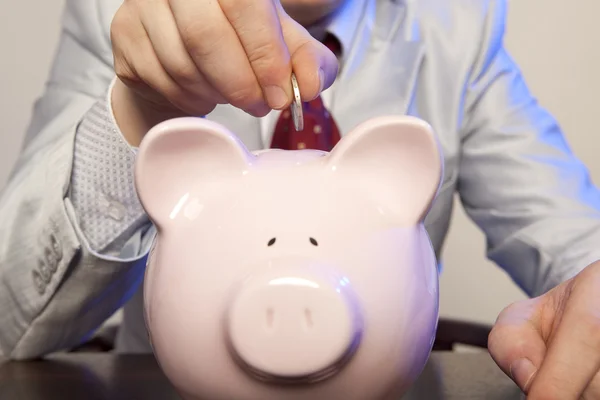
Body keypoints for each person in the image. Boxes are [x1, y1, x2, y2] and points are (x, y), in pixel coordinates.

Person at [0, 0, 599, 397]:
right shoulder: (124, 8)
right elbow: (11, 325)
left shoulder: (456, 23)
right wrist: (139, 111)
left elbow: (575, 239)